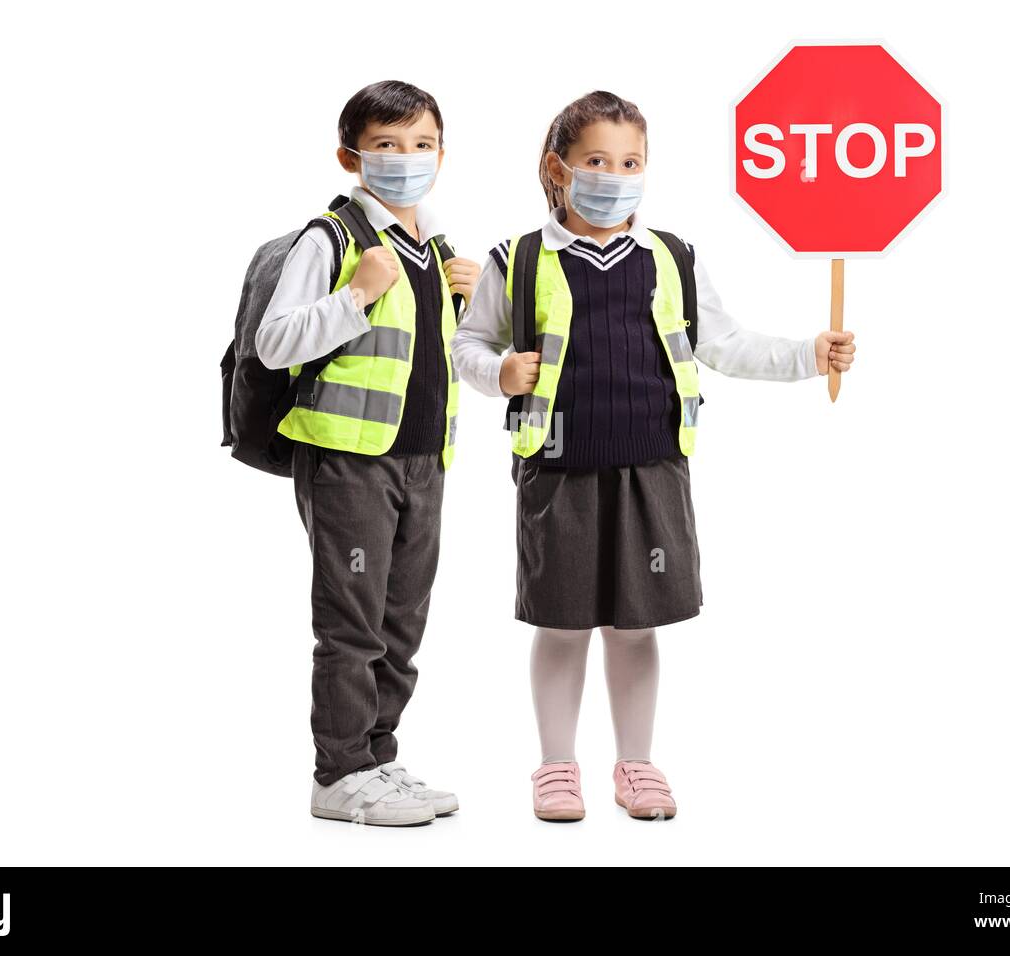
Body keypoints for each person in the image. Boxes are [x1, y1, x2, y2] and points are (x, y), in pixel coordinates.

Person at [451, 90, 856, 821]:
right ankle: (556, 767)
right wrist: (498, 372)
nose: (616, 175)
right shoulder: (518, 259)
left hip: (653, 469)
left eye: (631, 161)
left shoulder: (672, 257)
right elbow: (469, 346)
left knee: (636, 624)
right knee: (564, 620)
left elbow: (724, 343)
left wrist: (808, 353)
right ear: (559, 167)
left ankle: (635, 765)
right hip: (559, 470)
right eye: (597, 161)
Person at [257, 80, 481, 826]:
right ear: (350, 156)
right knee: (351, 625)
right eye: (386, 146)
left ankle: (378, 759)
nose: (405, 159)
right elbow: (275, 342)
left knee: (401, 624)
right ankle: (338, 773)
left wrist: (474, 304)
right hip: (349, 462)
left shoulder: (437, 249)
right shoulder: (335, 239)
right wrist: (355, 294)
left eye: (421, 145)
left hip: (424, 461)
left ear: (442, 155)